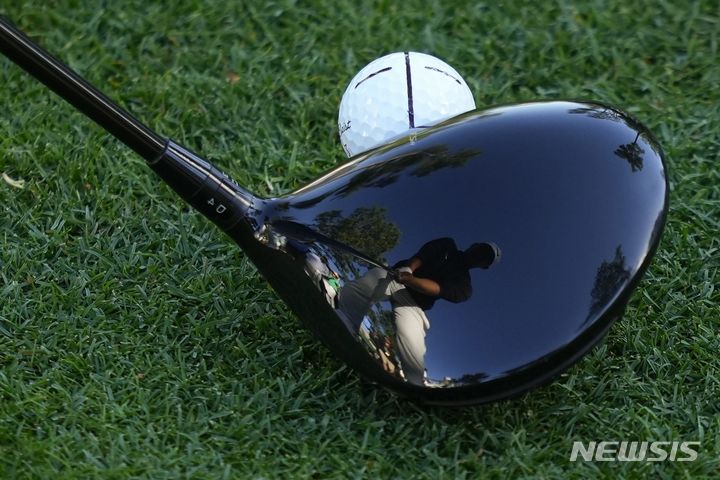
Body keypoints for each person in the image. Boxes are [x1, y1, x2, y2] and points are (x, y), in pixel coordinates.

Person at [337, 238, 500, 385]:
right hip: (395, 278)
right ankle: (345, 321)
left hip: (414, 303)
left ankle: (416, 388)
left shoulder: (465, 288)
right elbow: (426, 253)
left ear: (484, 266)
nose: (480, 255)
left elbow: (438, 289)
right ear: (474, 244)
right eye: (481, 250)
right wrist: (408, 269)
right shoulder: (448, 245)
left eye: (485, 258)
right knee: (374, 279)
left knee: (412, 341)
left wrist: (411, 280)